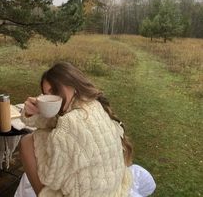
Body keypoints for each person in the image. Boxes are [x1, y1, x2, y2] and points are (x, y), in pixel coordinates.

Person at [15, 62, 156, 197]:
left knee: (27, 142)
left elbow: (52, 178)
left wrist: (43, 151)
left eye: (55, 91)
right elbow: (56, 121)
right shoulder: (93, 104)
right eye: (46, 94)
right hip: (113, 188)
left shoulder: (69, 123)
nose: (51, 98)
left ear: (73, 85)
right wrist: (32, 113)